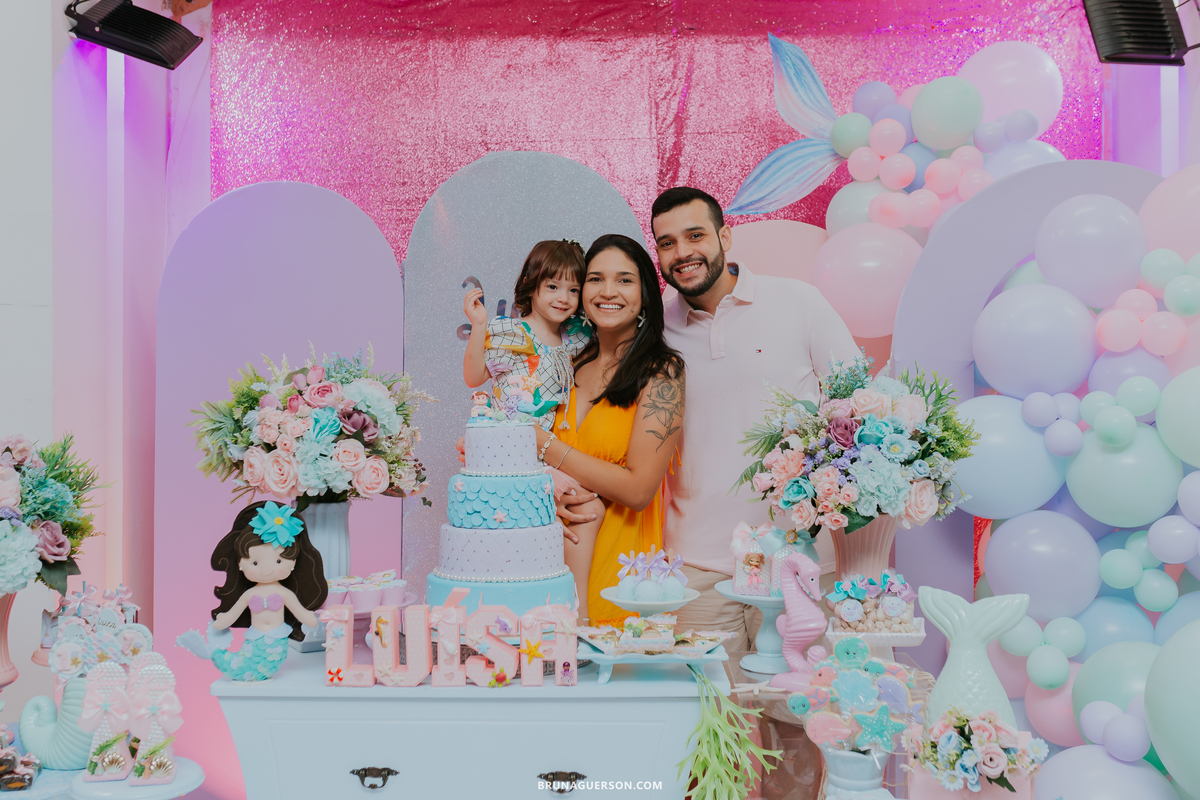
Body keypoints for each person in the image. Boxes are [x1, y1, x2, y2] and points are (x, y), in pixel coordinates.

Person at [652, 186, 860, 648]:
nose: (683, 253)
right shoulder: (655, 331)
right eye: (667, 243)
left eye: (695, 235)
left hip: (800, 558)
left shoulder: (799, 302)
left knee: (804, 714)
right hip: (697, 566)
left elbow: (861, 409)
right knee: (712, 715)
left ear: (726, 236)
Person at [533, 234, 686, 625]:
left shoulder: (662, 373)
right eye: (596, 279)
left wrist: (546, 446)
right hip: (549, 567)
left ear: (646, 294)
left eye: (624, 280)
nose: (607, 291)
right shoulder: (567, 364)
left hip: (622, 576)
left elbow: (637, 490)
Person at [461, 239, 606, 617]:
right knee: (583, 506)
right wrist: (479, 326)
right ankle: (572, 616)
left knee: (585, 506)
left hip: (551, 448)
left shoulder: (575, 337)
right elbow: (473, 376)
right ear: (532, 283)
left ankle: (569, 609)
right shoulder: (510, 332)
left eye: (573, 289)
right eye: (553, 287)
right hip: (512, 449)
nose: (564, 298)